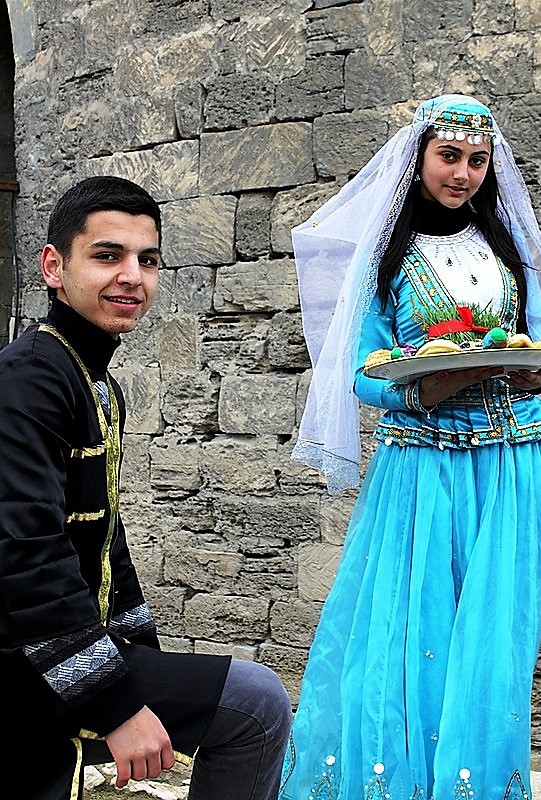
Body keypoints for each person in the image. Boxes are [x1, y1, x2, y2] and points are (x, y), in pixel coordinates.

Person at [279, 95, 541, 800]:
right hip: (423, 460)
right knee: (407, 626)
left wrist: (537, 374)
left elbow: (539, 351)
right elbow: (362, 372)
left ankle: (474, 784)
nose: (463, 173)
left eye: (477, 160)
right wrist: (432, 384)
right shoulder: (387, 257)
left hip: (513, 460)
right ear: (417, 158)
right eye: (449, 156)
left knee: (493, 636)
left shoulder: (508, 250)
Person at [0, 175, 292, 800]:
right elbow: (25, 556)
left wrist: (139, 653)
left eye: (148, 259)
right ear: (54, 267)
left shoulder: (94, 380)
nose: (132, 276)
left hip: (56, 648)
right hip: (22, 659)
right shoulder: (29, 381)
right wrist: (118, 705)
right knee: (256, 705)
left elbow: (105, 534)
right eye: (108, 255)